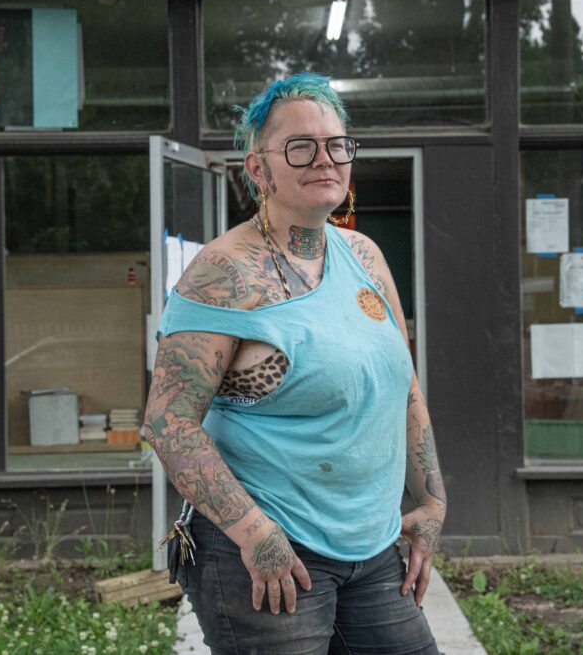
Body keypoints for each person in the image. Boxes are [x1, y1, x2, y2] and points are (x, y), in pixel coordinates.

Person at [142, 72, 447, 654]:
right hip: (267, 552)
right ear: (259, 170)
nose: (325, 159)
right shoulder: (223, 273)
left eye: (337, 145)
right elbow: (169, 423)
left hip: (373, 548)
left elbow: (402, 385)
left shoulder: (365, 256)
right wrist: (254, 533)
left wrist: (432, 501)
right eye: (301, 147)